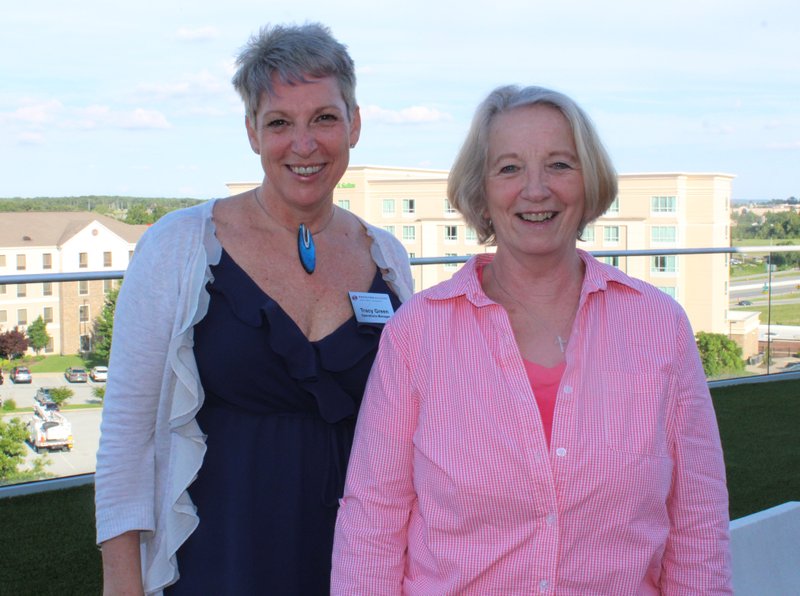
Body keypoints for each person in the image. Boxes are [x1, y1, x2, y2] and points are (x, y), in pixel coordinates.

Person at [331, 85, 732, 594]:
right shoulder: (417, 335)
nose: (536, 189)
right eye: (510, 168)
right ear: (481, 191)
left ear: (589, 181)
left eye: (560, 164)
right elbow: (373, 519)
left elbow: (698, 520)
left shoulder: (659, 327)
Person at [95, 23, 413, 595]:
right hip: (221, 557)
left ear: (355, 124)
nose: (304, 143)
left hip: (359, 558)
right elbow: (126, 435)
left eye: (324, 118)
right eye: (279, 123)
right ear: (251, 132)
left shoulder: (387, 258)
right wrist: (122, 585)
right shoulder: (179, 247)